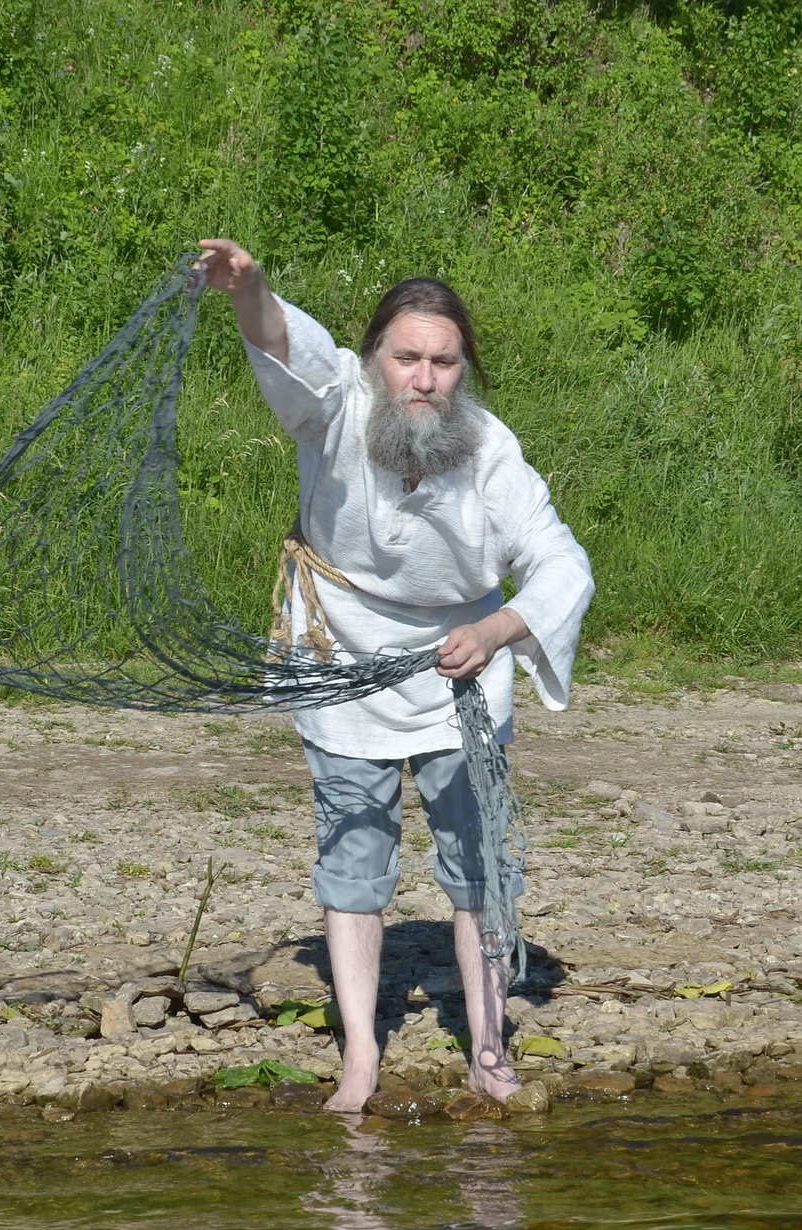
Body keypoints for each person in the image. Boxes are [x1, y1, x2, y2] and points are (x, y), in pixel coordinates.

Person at [195, 238, 594, 1113]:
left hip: (465, 667)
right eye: (406, 357)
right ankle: (361, 1060)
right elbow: (280, 346)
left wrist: (497, 628)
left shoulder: (489, 448)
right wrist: (250, 286)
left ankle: (489, 1050)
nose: (423, 378)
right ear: (375, 360)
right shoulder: (336, 408)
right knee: (353, 859)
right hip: (342, 661)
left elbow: (563, 562)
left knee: (480, 865)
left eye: (443, 362)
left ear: (464, 369)